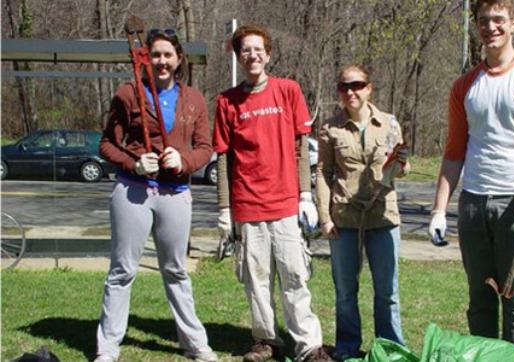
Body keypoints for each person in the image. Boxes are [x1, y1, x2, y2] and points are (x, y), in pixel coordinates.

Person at [428, 0, 514, 350]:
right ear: (476, 27)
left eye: (499, 20)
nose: (491, 27)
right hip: (474, 203)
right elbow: (454, 152)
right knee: (481, 299)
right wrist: (439, 210)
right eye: (484, 21)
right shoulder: (464, 86)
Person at [95, 28, 217, 362]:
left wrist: (185, 160)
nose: (161, 61)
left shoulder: (193, 99)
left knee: (176, 270)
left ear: (179, 59)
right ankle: (107, 347)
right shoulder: (128, 93)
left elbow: (205, 147)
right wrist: (134, 163)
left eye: (167, 55)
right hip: (133, 191)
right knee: (122, 271)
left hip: (175, 193)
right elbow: (105, 144)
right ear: (145, 57)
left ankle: (195, 343)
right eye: (155, 55)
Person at [212, 23, 330, 362]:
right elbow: (223, 157)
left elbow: (300, 146)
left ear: (268, 53)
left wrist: (305, 196)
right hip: (248, 207)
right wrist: (224, 209)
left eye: (258, 49)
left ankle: (308, 345)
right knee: (257, 282)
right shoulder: (226, 102)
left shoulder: (288, 90)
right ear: (238, 57)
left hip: (286, 204)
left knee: (295, 277)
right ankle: (266, 342)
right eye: (245, 50)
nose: (252, 55)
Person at [315, 64, 409, 360]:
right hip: (345, 220)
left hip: (383, 217)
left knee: (387, 293)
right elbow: (322, 173)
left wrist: (402, 164)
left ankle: (391, 348)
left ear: (369, 88)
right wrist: (325, 218)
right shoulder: (330, 128)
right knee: (345, 292)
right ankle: (347, 346)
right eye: (344, 87)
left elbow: (400, 170)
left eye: (357, 85)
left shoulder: (390, 124)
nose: (350, 92)